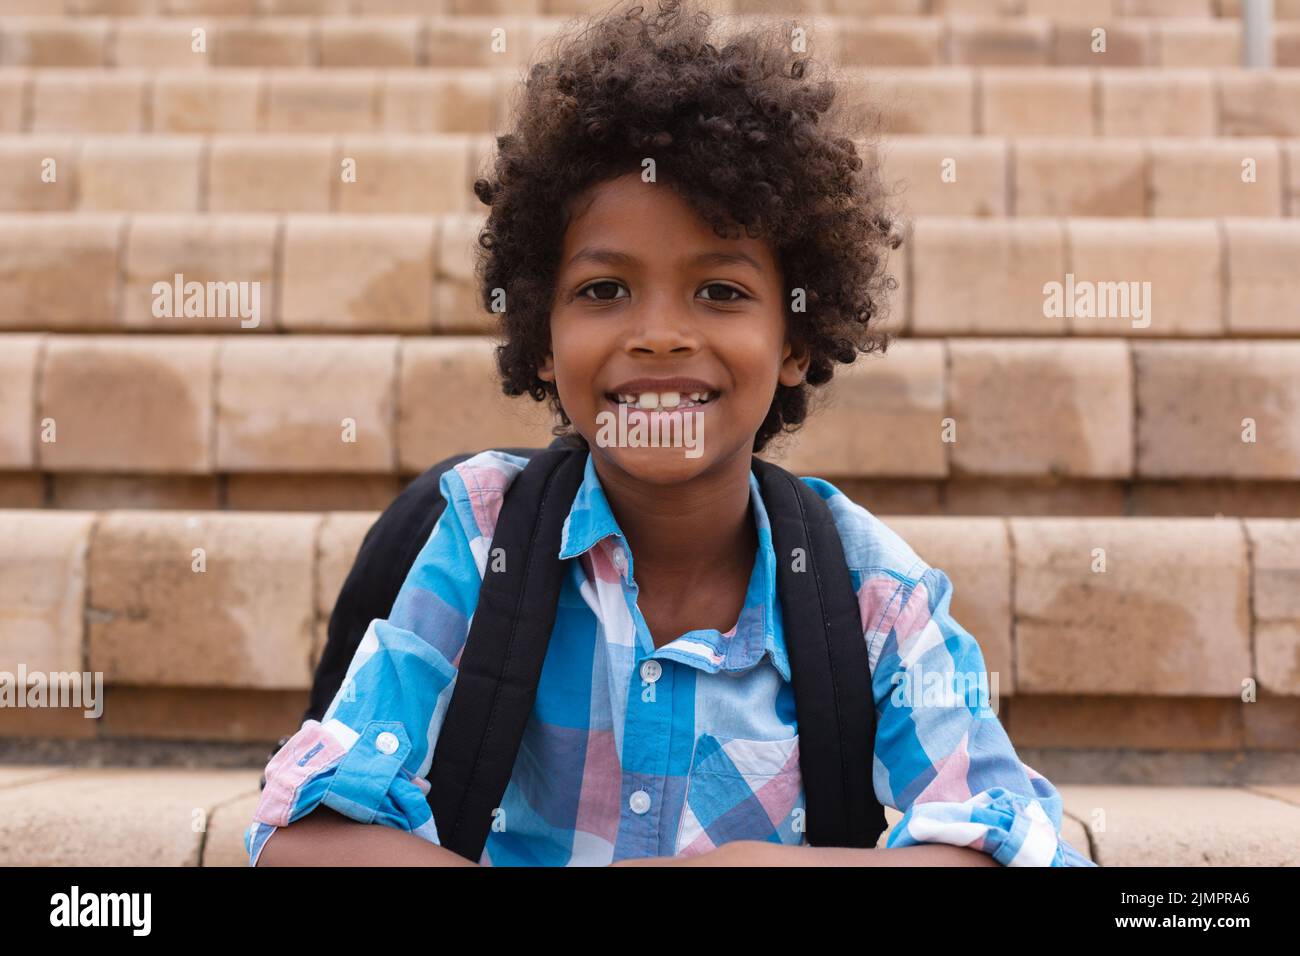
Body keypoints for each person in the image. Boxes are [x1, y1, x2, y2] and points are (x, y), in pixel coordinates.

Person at [246, 0, 1095, 867]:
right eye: (604, 290)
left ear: (795, 340)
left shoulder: (875, 596)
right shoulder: (481, 537)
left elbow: (1023, 850)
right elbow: (298, 841)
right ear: (542, 338)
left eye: (720, 292)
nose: (658, 334)